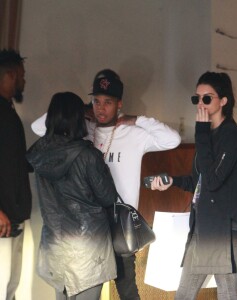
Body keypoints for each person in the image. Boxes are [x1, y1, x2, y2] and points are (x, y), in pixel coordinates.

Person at [31, 71, 181, 300]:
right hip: (88, 225)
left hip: (119, 224)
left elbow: (173, 139)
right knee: (91, 288)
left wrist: (137, 119)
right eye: (96, 101)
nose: (100, 108)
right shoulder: (82, 129)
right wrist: (78, 109)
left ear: (119, 104)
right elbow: (39, 127)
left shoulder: (134, 133)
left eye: (108, 102)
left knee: (127, 290)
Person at [151, 72, 237, 300]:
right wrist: (172, 181)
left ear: (223, 101)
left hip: (223, 228)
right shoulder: (208, 135)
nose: (201, 104)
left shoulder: (231, 135)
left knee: (226, 293)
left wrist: (201, 132)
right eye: (197, 99)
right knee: (183, 294)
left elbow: (213, 180)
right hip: (202, 226)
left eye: (208, 98)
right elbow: (200, 181)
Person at [26, 92, 118, 300]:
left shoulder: (39, 152)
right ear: (78, 118)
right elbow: (108, 197)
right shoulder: (88, 155)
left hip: (56, 243)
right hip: (88, 246)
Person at [0, 49, 32, 300]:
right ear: (9, 75)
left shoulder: (9, 113)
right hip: (3, 218)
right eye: (21, 75)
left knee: (11, 286)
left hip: (14, 215)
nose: (24, 81)